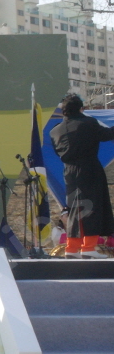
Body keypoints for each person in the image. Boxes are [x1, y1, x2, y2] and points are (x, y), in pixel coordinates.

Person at [50, 92, 114, 258]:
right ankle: (89, 248)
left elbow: (58, 152)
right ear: (81, 108)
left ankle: (71, 249)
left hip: (69, 172)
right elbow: (107, 135)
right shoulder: (88, 123)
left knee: (74, 211)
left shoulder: (55, 131)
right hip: (89, 168)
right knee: (92, 207)